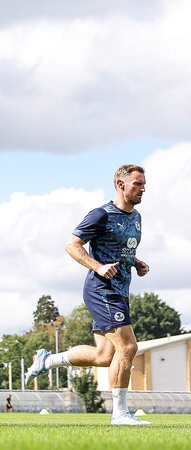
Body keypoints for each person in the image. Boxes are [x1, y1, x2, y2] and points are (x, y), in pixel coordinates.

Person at [25, 164, 151, 426]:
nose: (143, 188)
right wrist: (98, 266)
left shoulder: (136, 217)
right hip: (101, 289)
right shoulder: (100, 215)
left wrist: (136, 262)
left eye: (143, 183)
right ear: (120, 185)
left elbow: (120, 249)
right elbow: (71, 244)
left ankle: (48, 359)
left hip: (119, 291)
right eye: (137, 184)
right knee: (128, 347)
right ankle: (120, 414)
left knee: (105, 356)